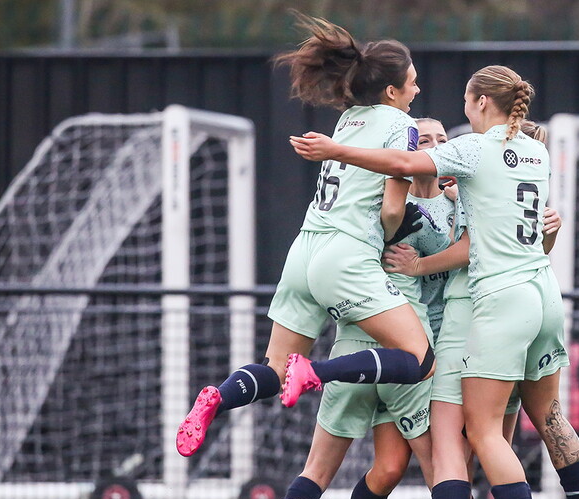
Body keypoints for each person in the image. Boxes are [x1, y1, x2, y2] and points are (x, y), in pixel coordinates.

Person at [289, 65, 579, 499]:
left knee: (462, 444)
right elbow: (511, 224)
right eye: (430, 138)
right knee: (527, 425)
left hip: (482, 312)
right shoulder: (535, 152)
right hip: (540, 297)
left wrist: (335, 152)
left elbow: (402, 168)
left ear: (481, 102)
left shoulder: (472, 154)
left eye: (453, 119)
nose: (440, 141)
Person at [176, 17, 435, 464]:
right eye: (412, 82)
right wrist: (397, 234)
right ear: (392, 91)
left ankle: (218, 397)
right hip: (346, 252)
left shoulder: (349, 120)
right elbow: (392, 210)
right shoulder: (402, 125)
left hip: (304, 250)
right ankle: (315, 372)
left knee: (275, 368)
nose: (417, 89)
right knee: (420, 359)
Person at [246, 117, 456, 499]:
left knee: (387, 469)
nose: (433, 146)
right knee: (441, 468)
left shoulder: (450, 203)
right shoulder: (400, 204)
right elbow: (456, 248)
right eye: (424, 139)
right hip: (405, 348)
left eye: (442, 140)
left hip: (368, 345)